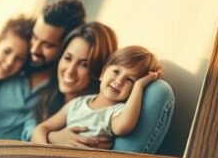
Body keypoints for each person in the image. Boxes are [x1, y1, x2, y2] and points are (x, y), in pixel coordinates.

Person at [0, 0, 86, 140]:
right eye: (34, 37)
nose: (34, 49)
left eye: (48, 45)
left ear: (66, 45)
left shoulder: (64, 86)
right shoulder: (12, 65)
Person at [32, 46, 162, 144]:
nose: (119, 81)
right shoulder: (77, 103)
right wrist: (46, 148)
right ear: (102, 73)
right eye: (116, 71)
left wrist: (139, 87)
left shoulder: (116, 112)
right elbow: (42, 128)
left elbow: (123, 127)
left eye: (130, 80)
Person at [21, 22, 117, 142]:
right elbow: (29, 132)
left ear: (99, 72)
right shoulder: (46, 97)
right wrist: (54, 138)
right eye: (68, 58)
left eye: (84, 64)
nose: (70, 71)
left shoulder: (102, 117)